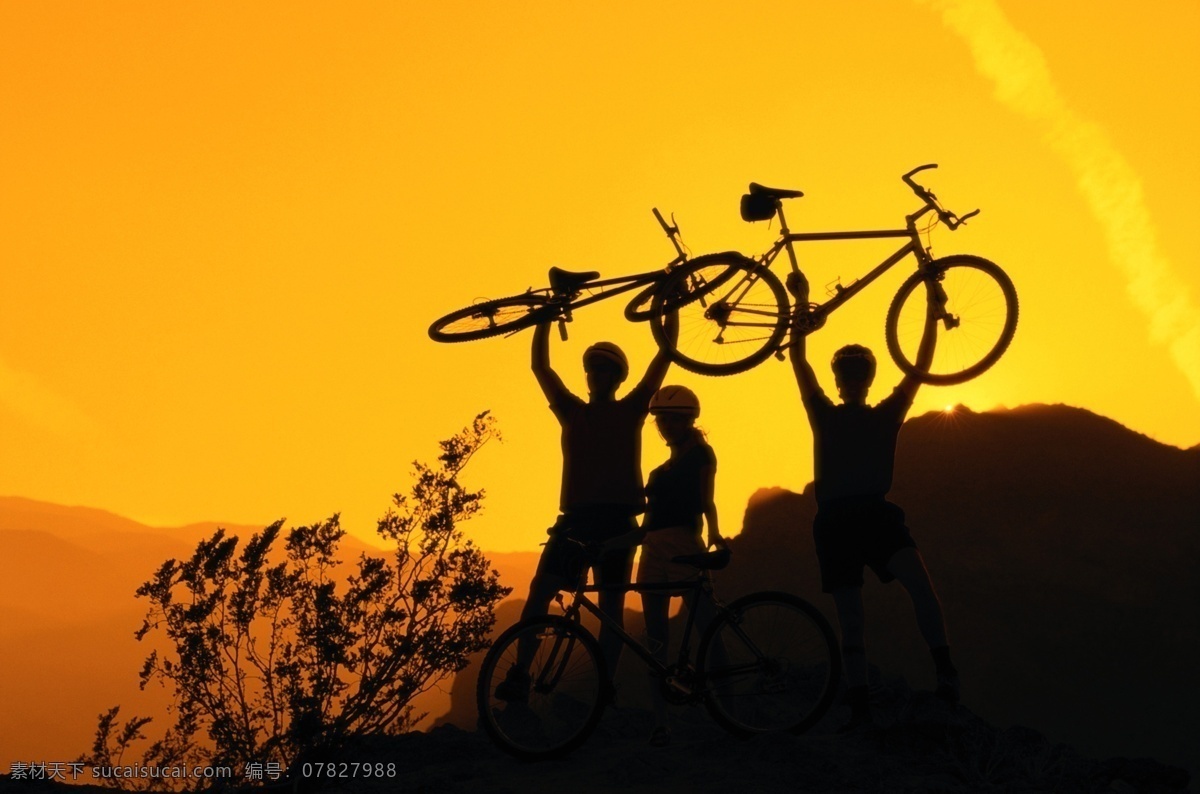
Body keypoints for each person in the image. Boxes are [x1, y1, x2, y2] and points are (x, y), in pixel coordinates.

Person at [787, 271, 959, 730]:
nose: (853, 380)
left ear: (846, 381)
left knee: (860, 613)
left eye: (853, 373)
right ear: (854, 380)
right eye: (853, 373)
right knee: (902, 597)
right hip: (856, 517)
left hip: (849, 518)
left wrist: (802, 304)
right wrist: (928, 306)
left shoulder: (835, 413)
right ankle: (926, 678)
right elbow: (920, 365)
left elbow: (797, 358)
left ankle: (879, 690)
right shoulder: (869, 413)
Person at [495, 309, 678, 702]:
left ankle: (605, 684)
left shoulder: (630, 410)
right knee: (541, 592)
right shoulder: (572, 412)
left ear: (616, 377)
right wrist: (544, 319)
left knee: (610, 607)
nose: (594, 375)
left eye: (602, 369)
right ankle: (521, 673)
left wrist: (672, 310)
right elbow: (540, 367)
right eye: (592, 369)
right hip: (577, 520)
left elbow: (665, 355)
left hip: (616, 522)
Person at [604, 385, 725, 747]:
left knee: (708, 626)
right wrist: (604, 545)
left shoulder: (701, 454)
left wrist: (716, 534)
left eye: (674, 419)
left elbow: (707, 501)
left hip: (684, 543)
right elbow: (644, 529)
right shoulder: (657, 473)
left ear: (689, 420)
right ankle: (662, 722)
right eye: (662, 420)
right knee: (656, 641)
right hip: (654, 551)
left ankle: (728, 708)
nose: (667, 425)